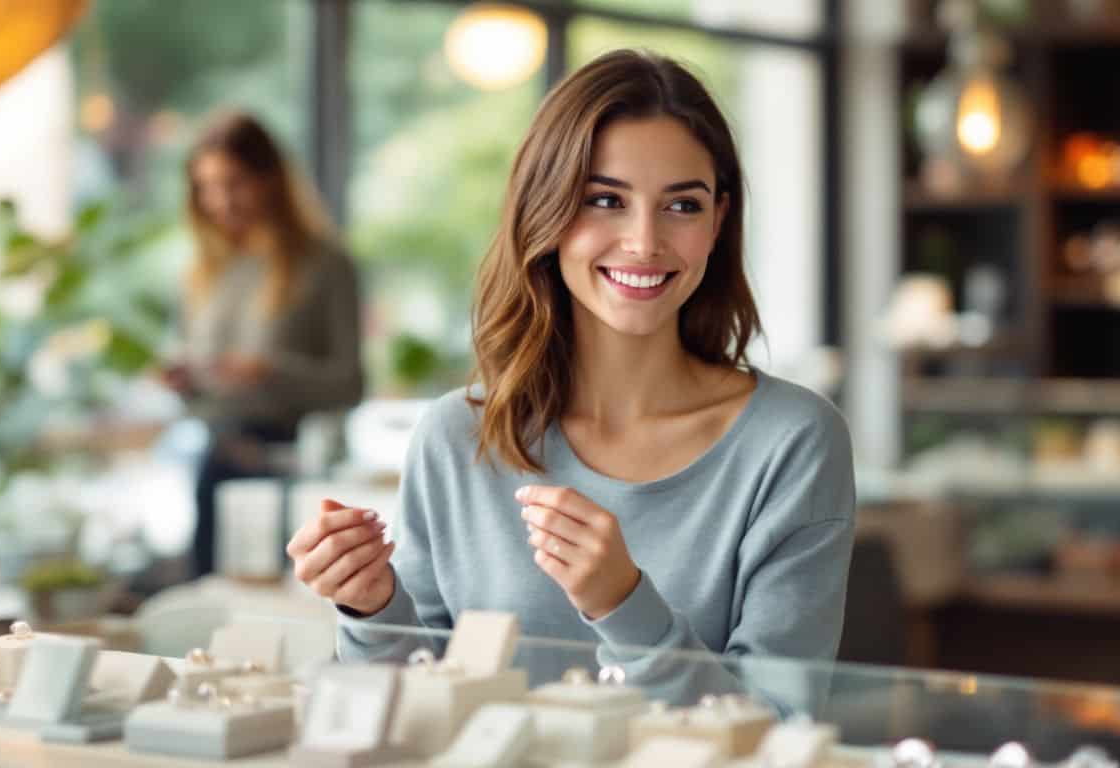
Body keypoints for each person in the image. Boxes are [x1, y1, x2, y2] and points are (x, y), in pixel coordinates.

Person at [286, 50, 855, 701]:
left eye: (682, 206)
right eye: (606, 200)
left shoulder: (793, 441)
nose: (644, 242)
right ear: (546, 211)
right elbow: (416, 709)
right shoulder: (457, 437)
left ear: (719, 220)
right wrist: (371, 608)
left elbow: (779, 726)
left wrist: (624, 603)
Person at [163, 112, 365, 579]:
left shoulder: (326, 266)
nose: (220, 202)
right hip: (215, 465)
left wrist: (267, 371)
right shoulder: (204, 272)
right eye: (207, 187)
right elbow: (205, 396)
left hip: (289, 471)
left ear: (270, 180)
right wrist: (185, 384)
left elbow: (350, 384)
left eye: (234, 183)